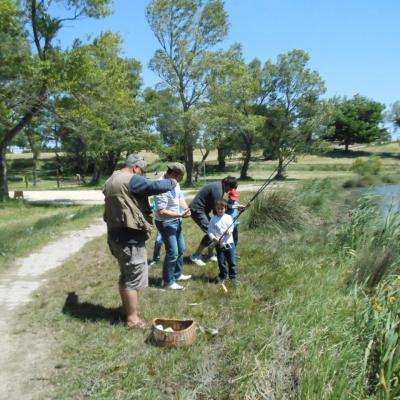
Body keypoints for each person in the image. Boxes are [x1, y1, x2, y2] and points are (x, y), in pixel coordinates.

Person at [103, 154, 177, 328]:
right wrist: (172, 182)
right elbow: (154, 186)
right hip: (130, 238)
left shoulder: (111, 180)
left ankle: (129, 311)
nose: (142, 174)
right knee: (132, 279)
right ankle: (132, 319)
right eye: (142, 170)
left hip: (115, 235)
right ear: (135, 167)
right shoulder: (132, 180)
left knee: (126, 275)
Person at [154, 163, 191, 290]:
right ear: (174, 174)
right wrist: (180, 215)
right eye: (180, 177)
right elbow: (161, 211)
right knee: (173, 252)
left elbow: (180, 197)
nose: (179, 181)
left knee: (181, 249)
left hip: (176, 220)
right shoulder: (160, 185)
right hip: (166, 222)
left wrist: (186, 208)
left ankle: (177, 274)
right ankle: (168, 282)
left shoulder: (174, 182)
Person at [189, 176, 238, 266]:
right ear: (227, 185)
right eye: (231, 188)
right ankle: (195, 256)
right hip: (197, 210)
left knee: (213, 231)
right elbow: (218, 208)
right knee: (211, 231)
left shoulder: (219, 186)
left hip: (202, 211)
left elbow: (221, 204)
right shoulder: (218, 189)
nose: (230, 191)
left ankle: (210, 254)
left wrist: (235, 207)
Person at [208, 200, 237, 283]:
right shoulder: (213, 219)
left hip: (230, 243)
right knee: (221, 262)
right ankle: (222, 276)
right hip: (219, 244)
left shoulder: (228, 217)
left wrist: (229, 231)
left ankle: (233, 276)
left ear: (225, 208)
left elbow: (232, 227)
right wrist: (214, 238)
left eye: (222, 208)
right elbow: (210, 231)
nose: (220, 210)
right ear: (215, 209)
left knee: (232, 262)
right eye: (218, 208)